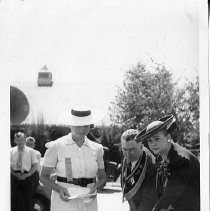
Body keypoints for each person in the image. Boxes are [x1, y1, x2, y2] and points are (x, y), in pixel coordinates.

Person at [40, 108, 107, 211]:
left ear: (90, 126)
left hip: (89, 202)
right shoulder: (57, 146)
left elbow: (102, 178)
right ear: (70, 125)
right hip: (64, 202)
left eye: (86, 125)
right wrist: (59, 189)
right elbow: (43, 177)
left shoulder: (97, 148)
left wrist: (95, 189)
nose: (82, 129)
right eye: (78, 125)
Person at [135, 115, 200, 211]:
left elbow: (168, 197)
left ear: (168, 137)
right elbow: (161, 193)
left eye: (157, 139)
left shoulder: (181, 161)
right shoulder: (160, 157)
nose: (153, 144)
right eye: (150, 141)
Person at [121, 129, 158, 211]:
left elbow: (148, 203)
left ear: (141, 146)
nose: (127, 154)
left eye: (132, 150)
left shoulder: (152, 166)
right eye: (124, 149)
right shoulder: (126, 157)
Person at [10, 131, 38, 211]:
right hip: (14, 177)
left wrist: (28, 175)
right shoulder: (10, 152)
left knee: (27, 200)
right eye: (18, 140)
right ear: (15, 140)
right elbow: (7, 166)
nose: (20, 142)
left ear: (24, 140)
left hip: (27, 177)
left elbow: (35, 166)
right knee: (14, 200)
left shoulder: (31, 151)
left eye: (22, 140)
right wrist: (14, 174)